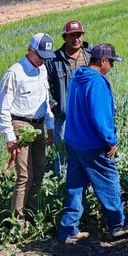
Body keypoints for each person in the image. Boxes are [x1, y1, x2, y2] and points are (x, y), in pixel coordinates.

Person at [58, 44, 128, 244]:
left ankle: (68, 229)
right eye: (111, 62)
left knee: (75, 186)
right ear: (102, 61)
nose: (112, 67)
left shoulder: (77, 77)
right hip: (93, 144)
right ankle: (117, 227)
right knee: (109, 183)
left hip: (74, 140)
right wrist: (111, 140)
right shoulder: (97, 83)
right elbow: (100, 117)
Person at [0, 33, 57, 222]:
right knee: (24, 174)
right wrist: (9, 136)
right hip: (20, 124)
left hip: (38, 125)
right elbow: (3, 107)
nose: (43, 61)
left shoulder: (43, 70)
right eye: (40, 56)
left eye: (46, 58)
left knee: (39, 171)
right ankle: (18, 221)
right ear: (29, 50)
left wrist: (50, 126)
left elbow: (45, 101)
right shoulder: (15, 72)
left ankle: (32, 215)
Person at [47, 20, 90, 180]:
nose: (76, 39)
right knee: (62, 153)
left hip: (86, 115)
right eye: (72, 35)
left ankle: (83, 183)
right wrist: (53, 105)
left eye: (78, 35)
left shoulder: (89, 55)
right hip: (63, 116)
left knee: (86, 150)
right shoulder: (54, 59)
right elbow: (46, 85)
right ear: (64, 37)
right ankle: (62, 185)